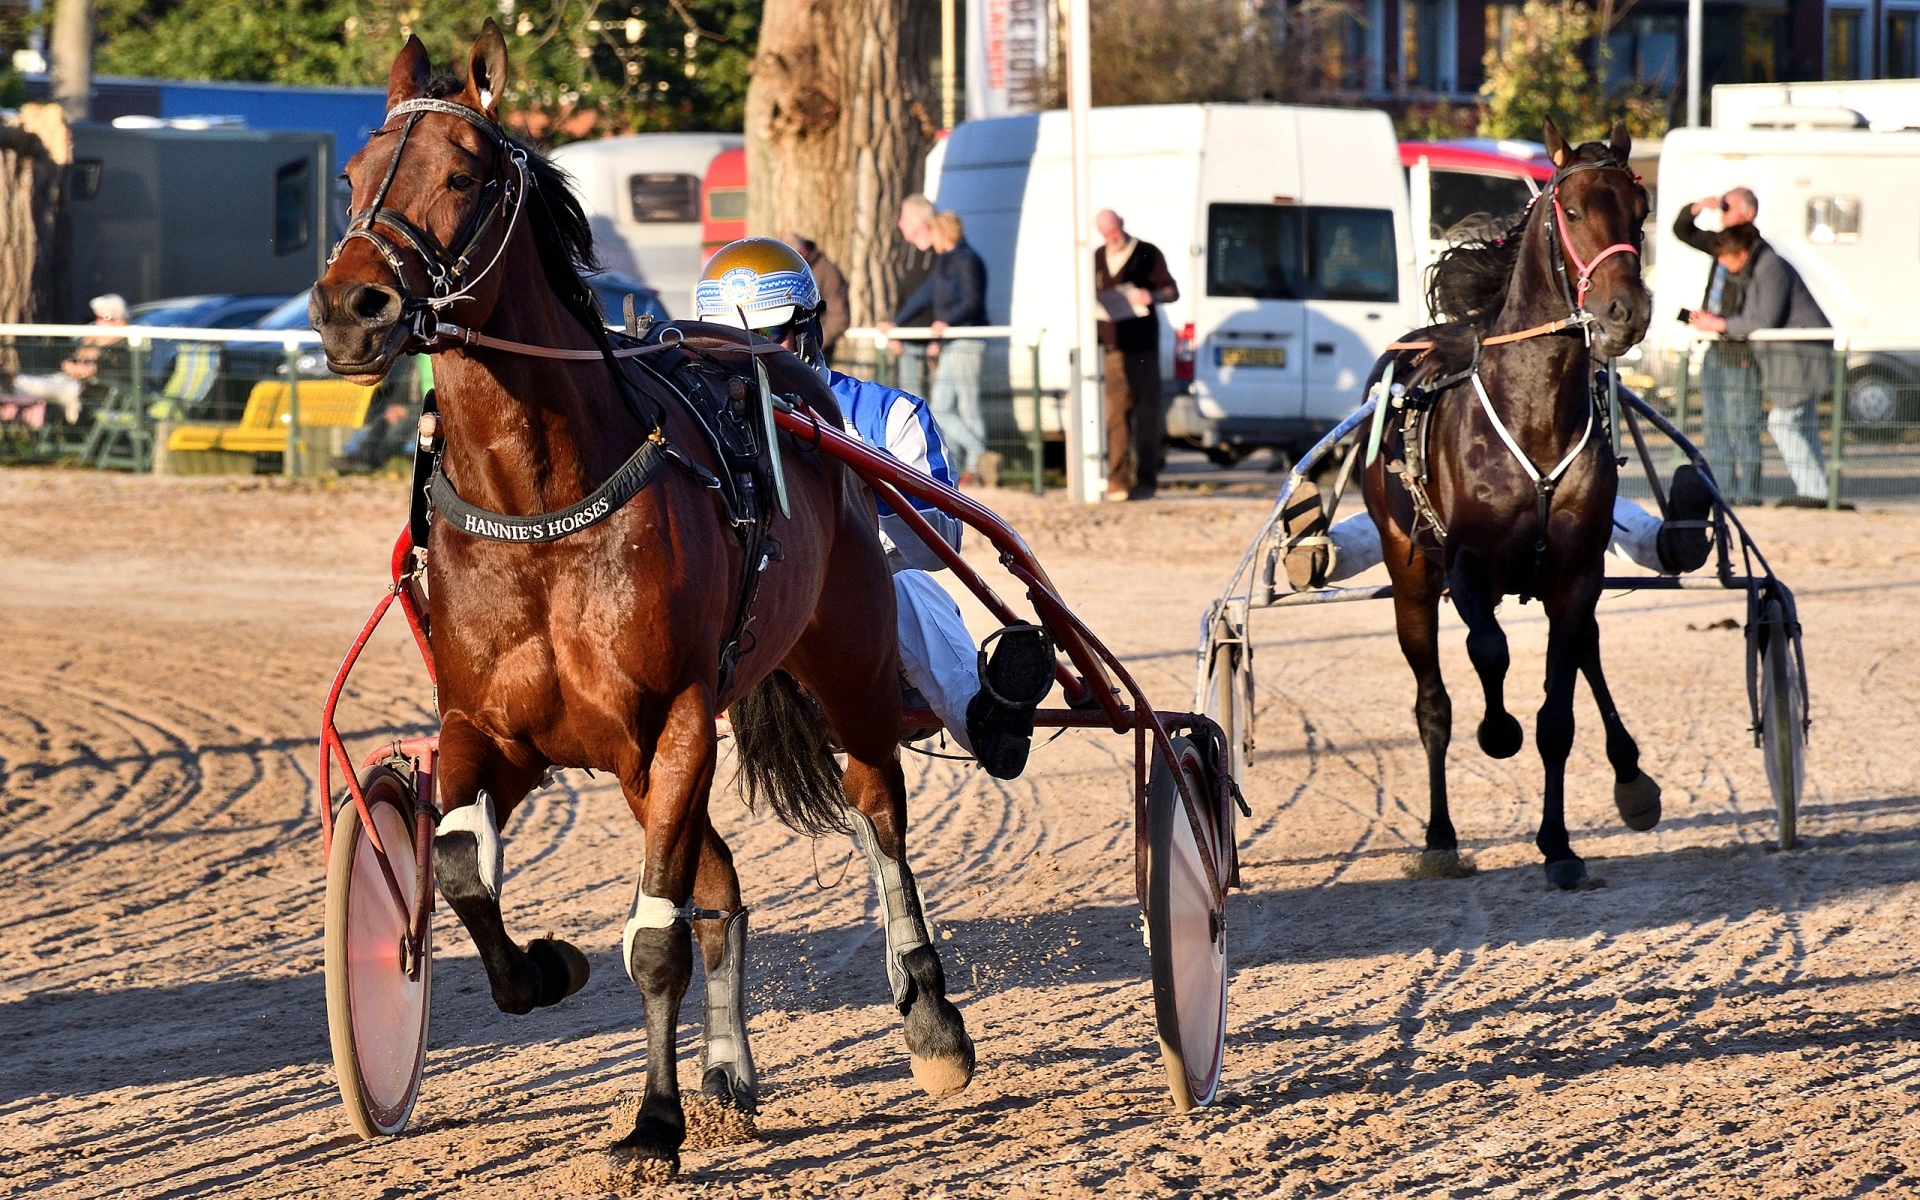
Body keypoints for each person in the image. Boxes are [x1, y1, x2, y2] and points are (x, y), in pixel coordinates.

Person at [692, 237, 1052, 779]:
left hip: (862, 625)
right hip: (741, 627)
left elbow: (941, 539)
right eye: (728, 337)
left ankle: (983, 717)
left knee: (898, 584)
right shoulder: (690, 423)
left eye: (768, 335)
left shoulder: (891, 414)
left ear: (809, 330)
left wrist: (842, 538)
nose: (751, 354)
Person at [1687, 223, 1831, 506]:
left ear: (1741, 252)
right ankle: (1817, 493)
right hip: (1793, 358)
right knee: (1800, 424)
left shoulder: (1769, 266)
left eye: (1724, 256)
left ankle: (1814, 491)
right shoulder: (1757, 267)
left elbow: (1765, 320)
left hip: (1802, 357)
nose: (1721, 263)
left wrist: (1720, 324)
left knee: (1782, 421)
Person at [884, 211, 991, 480]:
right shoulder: (945, 262)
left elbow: (973, 301)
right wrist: (895, 322)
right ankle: (968, 462)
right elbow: (924, 296)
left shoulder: (968, 261)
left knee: (966, 406)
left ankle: (979, 461)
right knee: (944, 407)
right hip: (952, 341)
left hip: (967, 340)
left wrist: (947, 321)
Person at [1674, 188, 1762, 503]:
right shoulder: (1723, 245)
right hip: (1713, 346)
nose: (1722, 212)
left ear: (1748, 213)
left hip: (1739, 349)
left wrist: (1724, 323)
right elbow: (1682, 230)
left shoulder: (1755, 252)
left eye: (1728, 207)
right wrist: (1697, 207)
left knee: (1742, 423)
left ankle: (1749, 493)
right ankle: (1723, 490)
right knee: (1714, 424)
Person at [1093, 210, 1179, 501]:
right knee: (1115, 416)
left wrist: (1151, 296)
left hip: (1143, 347)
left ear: (1122, 226)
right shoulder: (1096, 258)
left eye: (1113, 232)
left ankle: (1146, 480)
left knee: (1147, 415)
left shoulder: (1147, 253)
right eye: (1105, 234)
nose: (1111, 239)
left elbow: (1171, 291)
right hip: (1113, 347)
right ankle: (1118, 479)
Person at [13, 293, 129, 425]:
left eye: (106, 317)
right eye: (97, 317)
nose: (99, 321)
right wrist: (72, 366)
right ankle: (14, 385)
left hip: (95, 392)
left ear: (120, 320)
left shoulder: (125, 344)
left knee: (40, 386)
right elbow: (71, 361)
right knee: (47, 383)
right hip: (74, 384)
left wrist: (90, 370)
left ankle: (14, 383)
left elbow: (113, 367)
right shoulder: (89, 340)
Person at [890, 194, 939, 398]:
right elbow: (903, 296)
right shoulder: (907, 255)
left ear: (919, 220)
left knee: (939, 402)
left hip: (933, 341)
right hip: (908, 340)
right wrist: (895, 329)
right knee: (911, 397)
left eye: (904, 217)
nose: (900, 224)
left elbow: (939, 297)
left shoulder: (940, 253)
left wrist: (938, 341)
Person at [779, 231, 849, 359]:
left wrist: (812, 344)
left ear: (803, 251)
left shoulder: (827, 273)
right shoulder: (786, 273)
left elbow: (839, 318)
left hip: (815, 352)